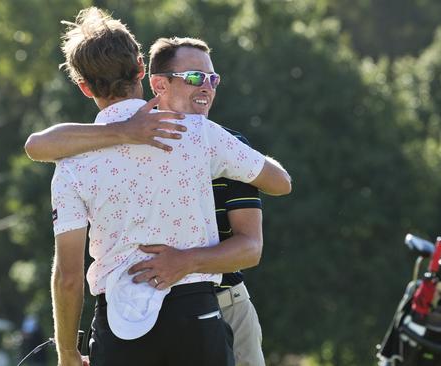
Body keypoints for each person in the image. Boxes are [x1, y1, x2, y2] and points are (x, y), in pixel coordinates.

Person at [45, 7, 291, 366]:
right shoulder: (199, 133)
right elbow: (280, 183)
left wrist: (68, 352)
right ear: (142, 68)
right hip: (198, 317)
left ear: (84, 87)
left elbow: (68, 278)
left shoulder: (70, 164)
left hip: (118, 326)